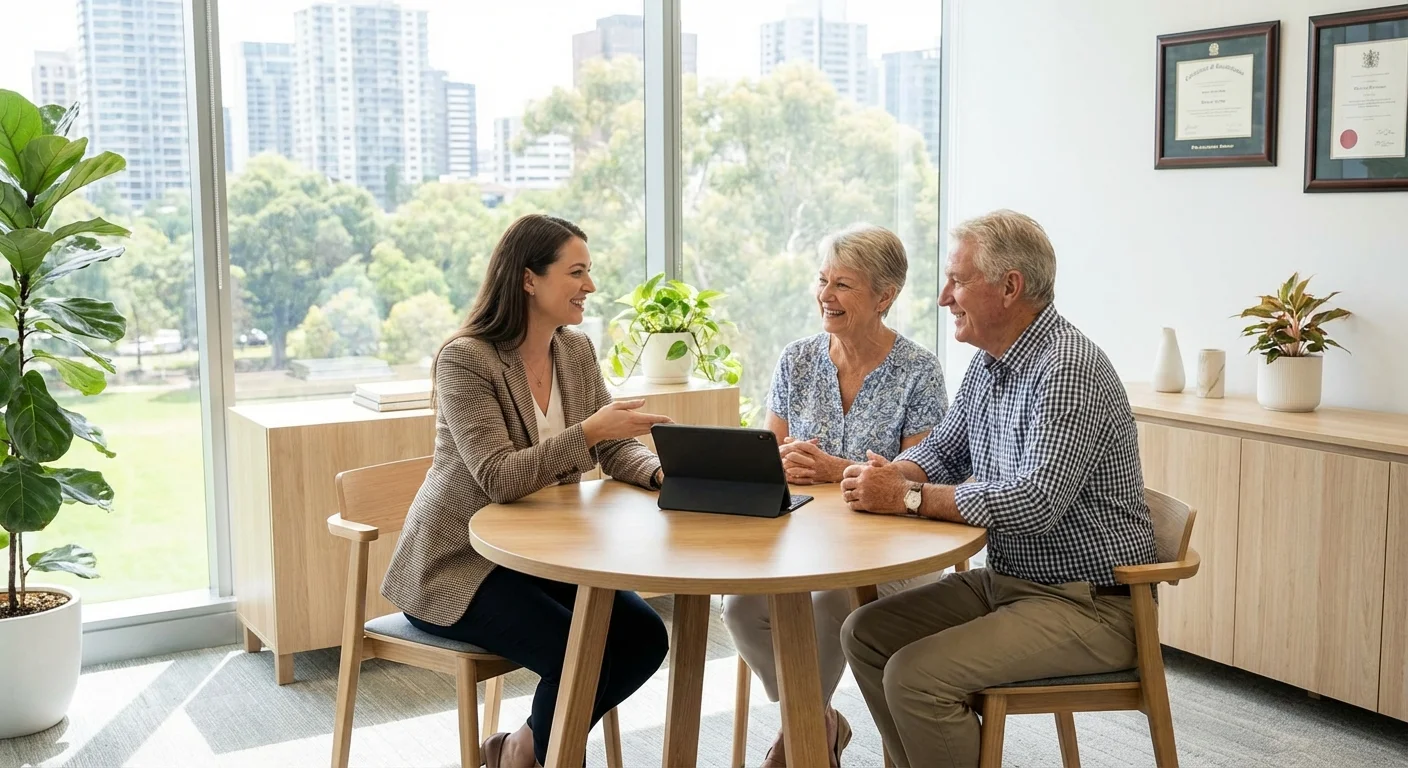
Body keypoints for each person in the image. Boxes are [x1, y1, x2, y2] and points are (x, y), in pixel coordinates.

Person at [837, 209, 1158, 768]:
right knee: (866, 632)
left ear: (1010, 287)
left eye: (957, 281)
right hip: (1013, 583)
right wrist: (894, 476)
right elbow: (944, 451)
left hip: (1089, 605)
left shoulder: (1066, 369)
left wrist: (908, 499)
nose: (943, 298)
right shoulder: (991, 362)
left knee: (916, 677)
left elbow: (1035, 502)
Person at [381, 214, 672, 768]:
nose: (590, 286)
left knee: (643, 637)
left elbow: (613, 448)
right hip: (458, 565)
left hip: (540, 558)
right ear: (528, 279)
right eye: (577, 272)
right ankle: (540, 755)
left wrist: (658, 473)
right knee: (575, 651)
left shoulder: (575, 352)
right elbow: (499, 476)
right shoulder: (466, 360)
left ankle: (523, 746)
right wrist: (589, 431)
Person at [721, 224, 948, 767]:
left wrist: (832, 471)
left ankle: (801, 742)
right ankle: (818, 722)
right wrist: (774, 462)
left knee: (830, 604)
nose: (825, 295)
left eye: (843, 284)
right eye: (822, 280)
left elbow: (919, 482)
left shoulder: (919, 372)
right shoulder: (797, 360)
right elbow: (762, 454)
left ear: (884, 297)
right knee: (739, 607)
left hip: (896, 548)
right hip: (802, 542)